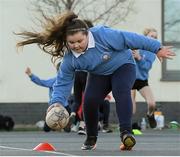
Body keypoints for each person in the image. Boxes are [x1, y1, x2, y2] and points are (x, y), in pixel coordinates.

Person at [16, 11, 175, 151]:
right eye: (72, 43)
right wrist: (56, 102)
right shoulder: (70, 59)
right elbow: (62, 82)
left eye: (80, 41)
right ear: (66, 41)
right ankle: (91, 137)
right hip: (99, 74)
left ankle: (126, 133)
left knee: (121, 92)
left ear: (87, 34)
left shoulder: (102, 35)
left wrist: (157, 48)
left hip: (123, 66)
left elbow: (131, 38)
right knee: (89, 101)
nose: (76, 45)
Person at [25, 63, 71, 132]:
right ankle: (55, 126)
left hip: (65, 105)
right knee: (46, 129)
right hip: (54, 106)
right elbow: (41, 82)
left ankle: (66, 124)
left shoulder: (69, 80)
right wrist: (31, 75)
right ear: (58, 71)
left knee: (67, 128)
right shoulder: (54, 81)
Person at [131, 28, 158, 128]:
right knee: (131, 107)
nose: (154, 39)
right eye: (152, 36)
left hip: (142, 80)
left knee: (152, 104)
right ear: (145, 37)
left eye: (156, 37)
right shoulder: (137, 46)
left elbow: (146, 67)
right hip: (130, 79)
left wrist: (139, 58)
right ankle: (127, 125)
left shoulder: (152, 53)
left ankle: (150, 115)